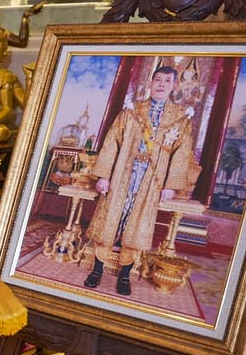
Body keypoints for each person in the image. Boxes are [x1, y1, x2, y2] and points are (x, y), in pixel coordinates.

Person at [82, 65, 199, 297]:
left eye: (167, 81)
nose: (162, 84)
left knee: (136, 226)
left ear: (174, 85)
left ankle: (125, 275)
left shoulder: (180, 119)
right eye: (158, 79)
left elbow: (182, 153)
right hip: (122, 175)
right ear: (151, 82)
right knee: (109, 221)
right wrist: (104, 175)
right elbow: (111, 142)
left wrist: (169, 185)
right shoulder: (131, 110)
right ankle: (97, 270)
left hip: (151, 181)